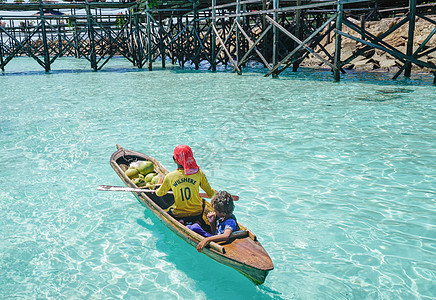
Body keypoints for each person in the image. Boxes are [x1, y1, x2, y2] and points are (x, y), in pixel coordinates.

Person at [155, 145, 216, 223]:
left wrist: (156, 190)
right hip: (197, 214)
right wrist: (214, 193)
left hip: (179, 215)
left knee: (168, 211)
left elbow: (160, 193)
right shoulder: (199, 173)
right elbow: (211, 194)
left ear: (174, 159)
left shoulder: (170, 176)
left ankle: (182, 222)